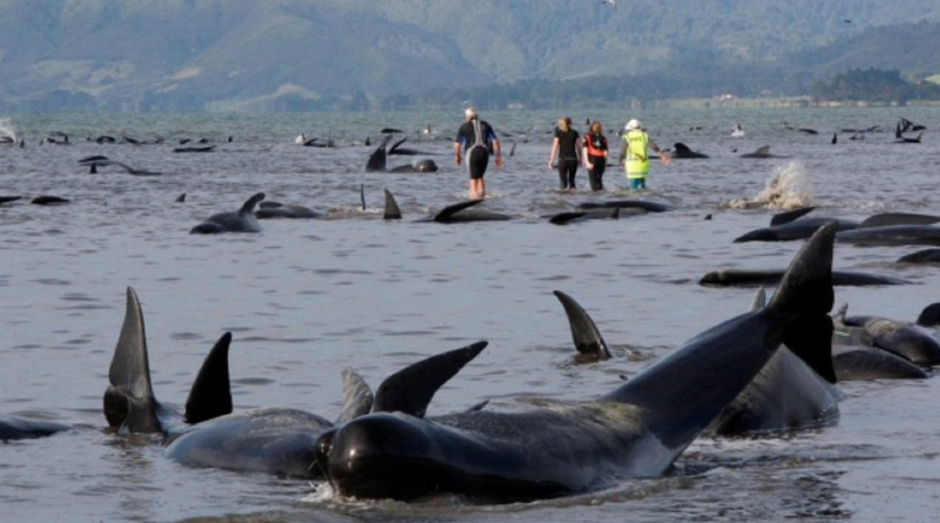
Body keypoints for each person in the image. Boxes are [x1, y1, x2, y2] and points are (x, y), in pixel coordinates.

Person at [454, 107, 503, 200]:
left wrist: (457, 156)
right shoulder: (486, 125)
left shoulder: (464, 126)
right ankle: (482, 197)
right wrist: (498, 157)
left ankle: (473, 199)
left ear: (468, 116)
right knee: (480, 176)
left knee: (473, 178)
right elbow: (495, 141)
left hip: (472, 153)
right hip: (484, 152)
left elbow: (457, 145)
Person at [618, 118, 669, 191]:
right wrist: (663, 156)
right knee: (642, 187)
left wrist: (620, 161)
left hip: (632, 165)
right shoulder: (644, 135)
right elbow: (654, 147)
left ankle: (634, 201)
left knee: (633, 188)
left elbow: (622, 152)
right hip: (643, 164)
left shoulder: (627, 137)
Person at [548, 117, 582, 191]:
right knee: (572, 181)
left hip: (563, 159)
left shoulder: (559, 133)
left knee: (563, 181)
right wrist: (580, 158)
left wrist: (551, 160)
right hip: (573, 159)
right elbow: (579, 147)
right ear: (570, 123)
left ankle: (564, 198)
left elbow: (555, 147)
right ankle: (574, 198)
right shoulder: (574, 133)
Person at [582, 121, 609, 191]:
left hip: (592, 159)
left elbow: (585, 150)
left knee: (593, 181)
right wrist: (605, 164)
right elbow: (606, 153)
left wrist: (587, 162)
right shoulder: (603, 138)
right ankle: (601, 196)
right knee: (599, 180)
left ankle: (595, 198)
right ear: (600, 128)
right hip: (601, 160)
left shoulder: (587, 137)